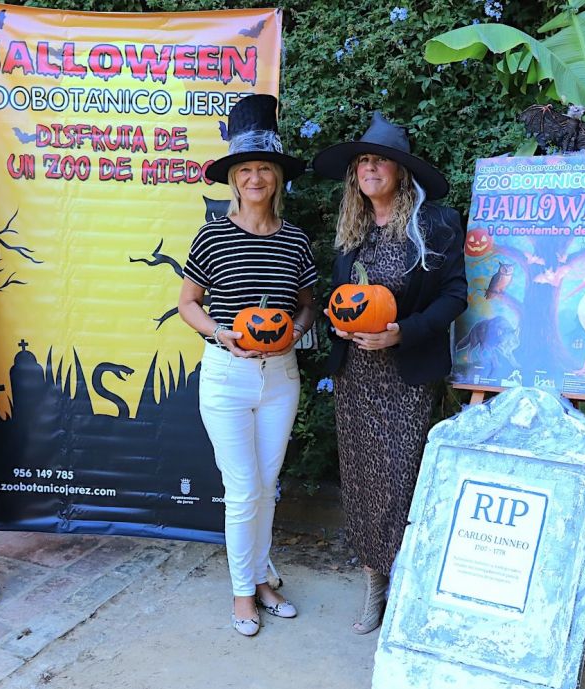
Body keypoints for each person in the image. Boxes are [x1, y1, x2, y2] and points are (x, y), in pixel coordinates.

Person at [312, 112, 467, 634]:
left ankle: (404, 580)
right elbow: (340, 301)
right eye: (363, 162)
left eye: (380, 160)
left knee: (400, 479)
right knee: (360, 480)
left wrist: (403, 331)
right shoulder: (352, 232)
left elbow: (454, 296)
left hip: (405, 377)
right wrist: (338, 323)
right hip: (356, 377)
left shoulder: (435, 223)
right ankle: (374, 582)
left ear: (401, 172)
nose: (370, 169)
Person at [178, 94, 316, 637]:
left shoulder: (296, 238)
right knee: (242, 489)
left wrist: (298, 332)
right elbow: (188, 304)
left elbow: (306, 302)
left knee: (266, 482)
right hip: (227, 377)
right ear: (233, 178)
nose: (255, 178)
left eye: (265, 168)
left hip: (280, 377)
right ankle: (242, 592)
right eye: (246, 169)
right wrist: (221, 331)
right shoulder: (213, 235)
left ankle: (260, 578)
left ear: (277, 178)